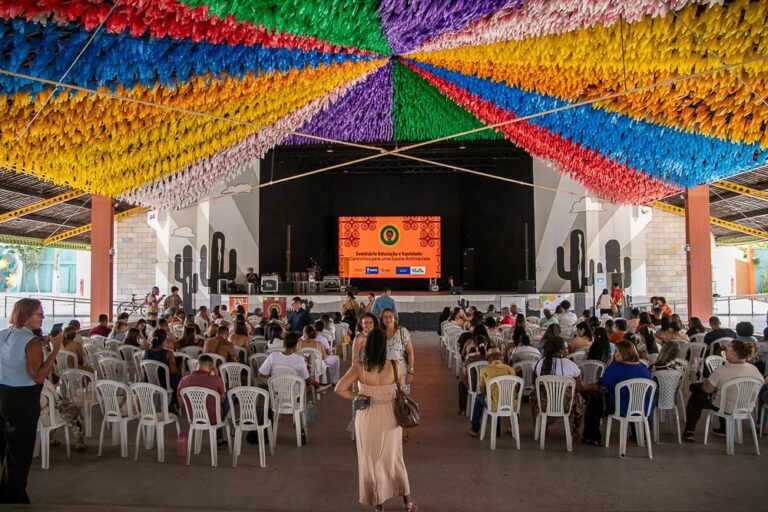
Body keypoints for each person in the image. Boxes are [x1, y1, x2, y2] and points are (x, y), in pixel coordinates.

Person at [334, 328, 417, 511]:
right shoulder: (395, 365)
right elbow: (400, 390)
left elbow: (339, 389)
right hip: (390, 418)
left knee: (371, 461)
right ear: (384, 347)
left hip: (367, 418)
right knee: (394, 458)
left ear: (367, 346)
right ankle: (408, 502)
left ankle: (378, 506)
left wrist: (358, 397)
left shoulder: (359, 368)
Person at [0, 299, 61, 503]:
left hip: (3, 394)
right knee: (21, 451)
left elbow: (14, 357)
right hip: (22, 399)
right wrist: (55, 350)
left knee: (7, 447)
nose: (43, 317)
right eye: (39, 314)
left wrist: (38, 345)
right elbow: (37, 376)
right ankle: (14, 496)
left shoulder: (5, 334)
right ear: (26, 316)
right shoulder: (31, 341)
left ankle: (6, 489)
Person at [683, 340, 764, 442]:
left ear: (733, 353)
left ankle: (689, 431)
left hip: (726, 406)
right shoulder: (754, 369)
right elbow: (761, 384)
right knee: (724, 394)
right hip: (746, 406)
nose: (724, 351)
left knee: (697, 397)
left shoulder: (723, 370)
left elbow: (707, 389)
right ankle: (723, 429)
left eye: (727, 349)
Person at [581, 340, 653, 445]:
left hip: (620, 407)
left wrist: (585, 387)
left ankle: (591, 437)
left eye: (617, 351)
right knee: (632, 399)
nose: (615, 354)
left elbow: (602, 385)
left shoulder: (616, 367)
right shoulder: (643, 367)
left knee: (593, 402)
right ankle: (639, 435)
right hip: (642, 407)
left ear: (625, 352)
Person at [532, 337, 583, 440]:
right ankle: (574, 429)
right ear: (560, 351)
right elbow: (579, 388)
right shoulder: (571, 365)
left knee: (535, 394)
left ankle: (543, 426)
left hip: (544, 404)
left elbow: (535, 383)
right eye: (566, 348)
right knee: (576, 396)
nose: (567, 349)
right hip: (565, 405)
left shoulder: (538, 364)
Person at [177, 355, 228, 446]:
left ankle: (219, 437)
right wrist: (216, 374)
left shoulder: (184, 380)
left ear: (197, 364)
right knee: (228, 398)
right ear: (210, 366)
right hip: (213, 418)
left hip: (194, 416)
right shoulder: (216, 380)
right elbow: (222, 400)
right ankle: (219, 434)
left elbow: (181, 404)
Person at [466, 347, 516, 438]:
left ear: (489, 359)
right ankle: (513, 427)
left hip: (494, 404)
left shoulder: (485, 370)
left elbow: (482, 389)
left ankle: (474, 429)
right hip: (511, 403)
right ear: (501, 359)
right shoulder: (510, 369)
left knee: (479, 397)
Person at [39, 378, 87, 452]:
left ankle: (50, 439)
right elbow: (57, 403)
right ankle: (80, 442)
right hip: (48, 418)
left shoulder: (26, 383)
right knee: (74, 411)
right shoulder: (45, 382)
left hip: (35, 420)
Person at [299, 324, 340, 388]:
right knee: (333, 359)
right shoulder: (318, 343)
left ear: (305, 334)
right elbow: (324, 357)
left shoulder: (299, 343)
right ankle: (333, 381)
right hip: (317, 368)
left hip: (303, 366)